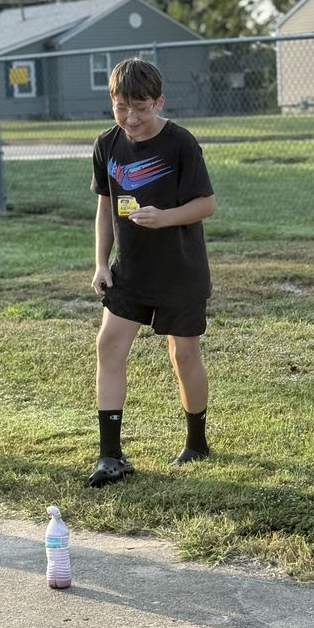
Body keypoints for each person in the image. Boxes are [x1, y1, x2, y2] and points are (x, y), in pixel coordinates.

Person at [88, 58, 216, 487]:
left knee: (183, 356)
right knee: (109, 346)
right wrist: (102, 263)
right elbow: (105, 208)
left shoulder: (181, 143)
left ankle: (196, 442)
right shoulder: (107, 144)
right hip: (131, 272)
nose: (131, 118)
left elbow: (206, 205)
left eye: (141, 107)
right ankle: (110, 456)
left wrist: (165, 218)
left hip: (181, 271)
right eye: (121, 107)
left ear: (158, 101)